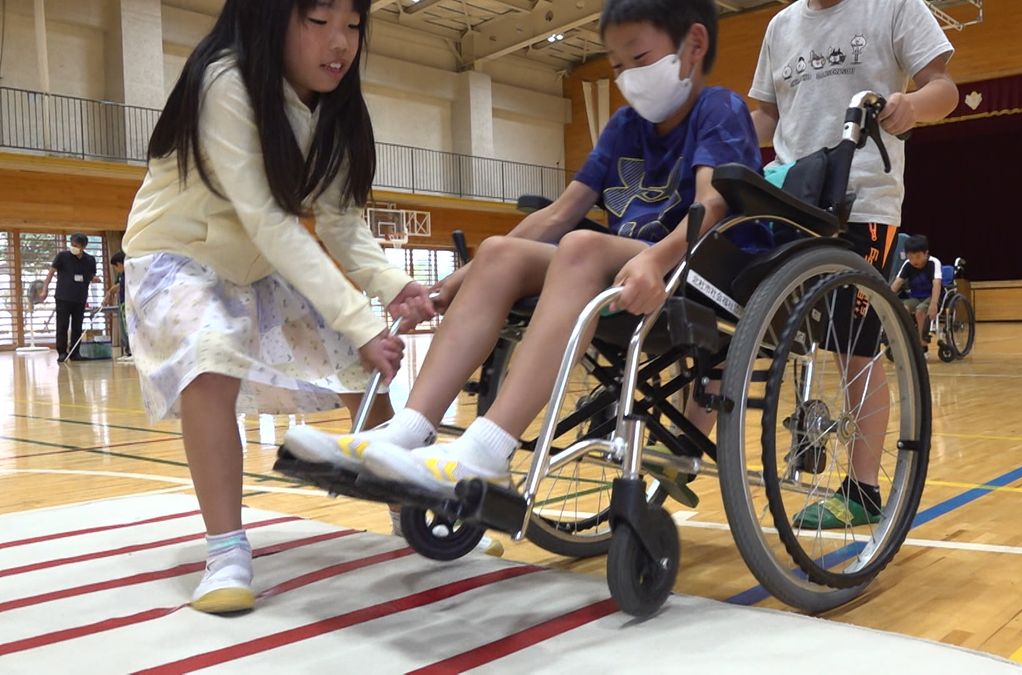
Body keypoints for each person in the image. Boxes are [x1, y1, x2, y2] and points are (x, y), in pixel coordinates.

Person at [284, 0, 771, 494]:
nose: (627, 77)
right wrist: (462, 276)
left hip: (703, 265)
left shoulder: (720, 109)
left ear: (693, 46)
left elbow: (711, 206)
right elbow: (558, 213)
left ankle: (489, 448)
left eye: (640, 59)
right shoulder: (625, 127)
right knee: (498, 251)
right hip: (625, 262)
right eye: (618, 66)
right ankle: (409, 430)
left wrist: (654, 258)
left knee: (582, 245)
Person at [121, 0, 433, 614]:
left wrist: (393, 286)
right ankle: (226, 553)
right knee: (209, 364)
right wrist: (364, 320)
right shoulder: (225, 80)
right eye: (319, 22)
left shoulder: (335, 107)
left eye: (352, 25)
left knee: (363, 369)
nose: (339, 43)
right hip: (177, 258)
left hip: (257, 267)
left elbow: (341, 221)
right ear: (271, 17)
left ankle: (417, 520)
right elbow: (267, 218)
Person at [749, 0, 957, 528]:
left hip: (860, 200)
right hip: (787, 196)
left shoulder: (892, 7)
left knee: (854, 349)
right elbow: (766, 115)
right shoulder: (781, 25)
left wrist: (912, 104)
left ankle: (863, 490)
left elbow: (945, 88)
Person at [39, 233, 98, 363]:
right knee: (62, 325)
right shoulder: (62, 256)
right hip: (63, 297)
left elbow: (91, 276)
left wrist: (94, 279)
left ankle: (75, 353)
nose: (73, 247)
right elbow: (51, 273)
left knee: (77, 326)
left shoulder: (90, 260)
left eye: (76, 245)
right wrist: (44, 289)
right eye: (72, 244)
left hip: (80, 297)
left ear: (83, 247)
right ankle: (61, 352)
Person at [890, 234, 942, 349]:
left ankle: (921, 340)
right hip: (915, 298)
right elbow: (897, 282)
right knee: (901, 308)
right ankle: (907, 336)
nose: (914, 261)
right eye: (910, 257)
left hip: (931, 297)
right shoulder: (908, 264)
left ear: (926, 253)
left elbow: (937, 284)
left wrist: (934, 304)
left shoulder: (933, 262)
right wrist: (885, 297)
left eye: (918, 257)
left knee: (920, 310)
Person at [102, 251, 133, 361]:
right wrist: (109, 293)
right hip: (124, 302)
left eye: (115, 267)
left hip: (130, 304)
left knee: (130, 328)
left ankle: (133, 352)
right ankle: (129, 352)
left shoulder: (131, 272)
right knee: (125, 328)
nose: (116, 270)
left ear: (119, 264)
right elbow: (117, 286)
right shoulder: (123, 275)